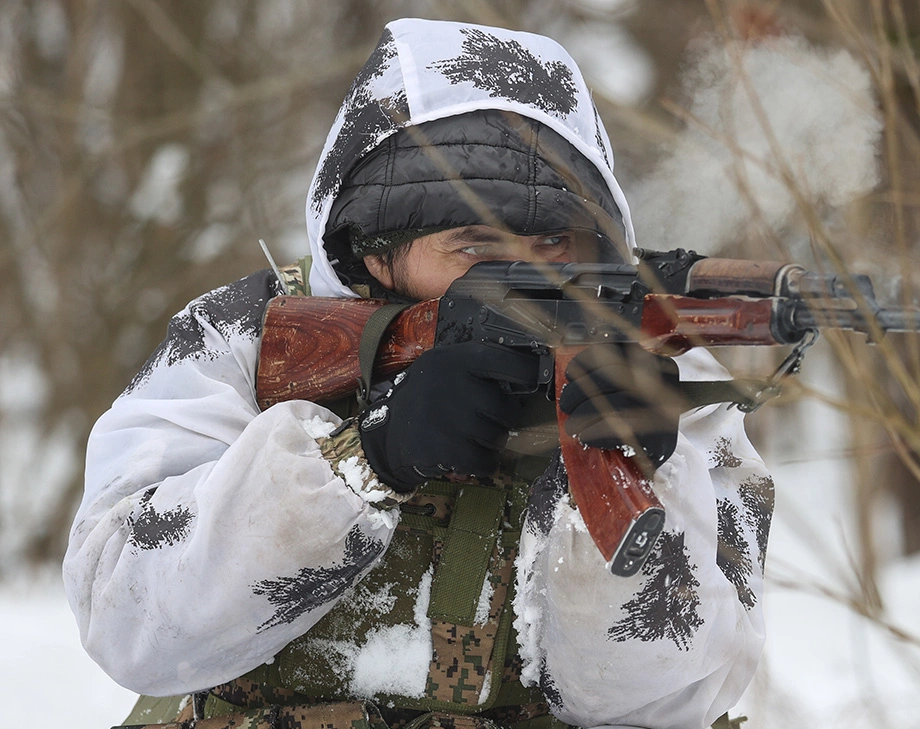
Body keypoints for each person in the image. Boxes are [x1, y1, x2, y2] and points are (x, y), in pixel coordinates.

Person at [64, 18, 774, 729]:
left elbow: (669, 702)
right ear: (376, 253)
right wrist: (365, 457)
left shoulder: (665, 381)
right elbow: (127, 618)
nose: (524, 279)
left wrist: (624, 467)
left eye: (553, 241)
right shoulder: (246, 342)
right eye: (473, 245)